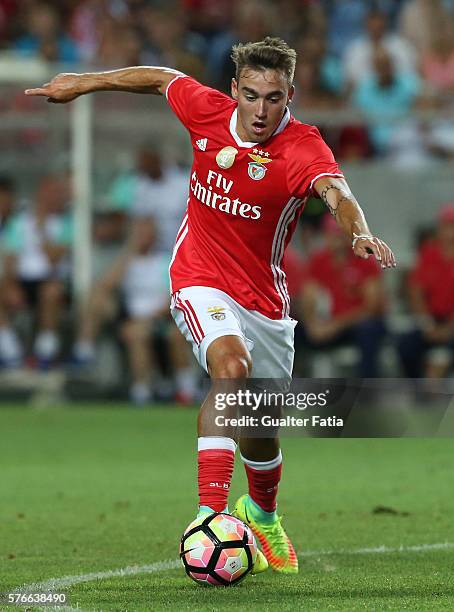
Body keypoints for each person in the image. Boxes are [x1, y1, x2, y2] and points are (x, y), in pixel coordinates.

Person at [26, 36, 396, 575]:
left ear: (289, 94)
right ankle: (209, 519)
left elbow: (336, 191)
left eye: (274, 98)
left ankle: (263, 514)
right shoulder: (206, 112)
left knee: (260, 426)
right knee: (230, 368)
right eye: (251, 95)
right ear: (234, 91)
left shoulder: (302, 147)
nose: (261, 110)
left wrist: (359, 233)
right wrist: (84, 83)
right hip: (198, 278)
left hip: (265, 302)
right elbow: (159, 76)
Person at [73, 216, 195, 405]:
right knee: (133, 331)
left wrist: (152, 318)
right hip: (132, 317)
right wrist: (129, 252)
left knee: (174, 336)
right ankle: (142, 390)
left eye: (147, 233)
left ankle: (186, 389)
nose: (143, 238)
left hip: (162, 317)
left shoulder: (164, 260)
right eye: (139, 234)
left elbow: (173, 294)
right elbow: (106, 285)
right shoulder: (127, 261)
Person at [297, 214, 386, 378]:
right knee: (292, 330)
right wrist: (312, 324)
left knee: (368, 330)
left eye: (341, 235)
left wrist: (335, 325)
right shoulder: (319, 260)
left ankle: (367, 387)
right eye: (332, 235)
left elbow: (371, 307)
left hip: (354, 324)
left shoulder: (366, 260)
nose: (337, 240)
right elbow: (307, 296)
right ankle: (291, 383)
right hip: (328, 323)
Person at [0, 175, 72, 368]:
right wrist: (10, 284)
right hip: (23, 279)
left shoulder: (67, 223)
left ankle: (45, 350)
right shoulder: (19, 222)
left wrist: (42, 231)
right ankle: (9, 349)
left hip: (51, 279)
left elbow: (54, 258)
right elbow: (11, 257)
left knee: (51, 292)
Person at [397, 204, 454, 378]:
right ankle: (416, 388)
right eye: (446, 226)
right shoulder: (429, 254)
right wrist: (427, 323)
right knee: (406, 345)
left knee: (442, 357)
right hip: (432, 319)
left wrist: (448, 330)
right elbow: (416, 292)